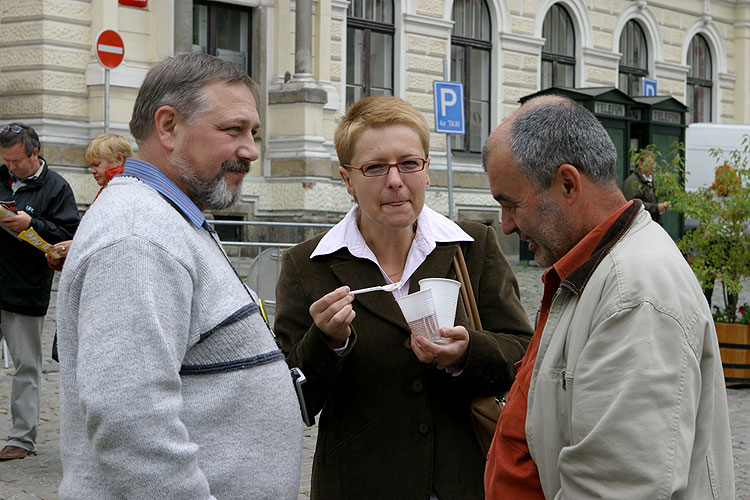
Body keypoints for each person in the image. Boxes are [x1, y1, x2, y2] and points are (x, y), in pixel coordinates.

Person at [56, 53, 303, 498]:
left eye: (254, 133)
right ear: (168, 126)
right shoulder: (138, 237)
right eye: (233, 130)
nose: (251, 150)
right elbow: (130, 420)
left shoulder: (166, 218)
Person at [273, 95, 533, 500]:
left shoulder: (472, 246)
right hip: (359, 484)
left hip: (464, 482)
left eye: (409, 163)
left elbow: (522, 357)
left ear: (427, 171)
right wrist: (327, 342)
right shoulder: (308, 265)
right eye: (375, 167)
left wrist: (468, 353)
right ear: (347, 180)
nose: (395, 180)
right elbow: (295, 401)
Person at [483, 95, 735, 499]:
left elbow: (617, 487)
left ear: (568, 184)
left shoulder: (635, 293)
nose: (507, 226)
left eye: (511, 205)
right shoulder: (594, 266)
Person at [0, 122, 79, 461]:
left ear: (35, 153)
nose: (11, 167)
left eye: (17, 161)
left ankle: (22, 438)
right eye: (6, 160)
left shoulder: (56, 187)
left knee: (26, 367)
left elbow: (69, 237)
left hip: (25, 290)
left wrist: (31, 225)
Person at [46, 133, 133, 270]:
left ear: (118, 159)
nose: (92, 171)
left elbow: (110, 240)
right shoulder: (112, 187)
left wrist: (74, 248)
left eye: (96, 164)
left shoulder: (122, 189)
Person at [623, 148, 669, 224]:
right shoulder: (632, 182)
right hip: (640, 226)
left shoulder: (652, 180)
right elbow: (634, 206)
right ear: (641, 164)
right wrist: (656, 208)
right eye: (651, 164)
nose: (654, 167)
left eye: (654, 163)